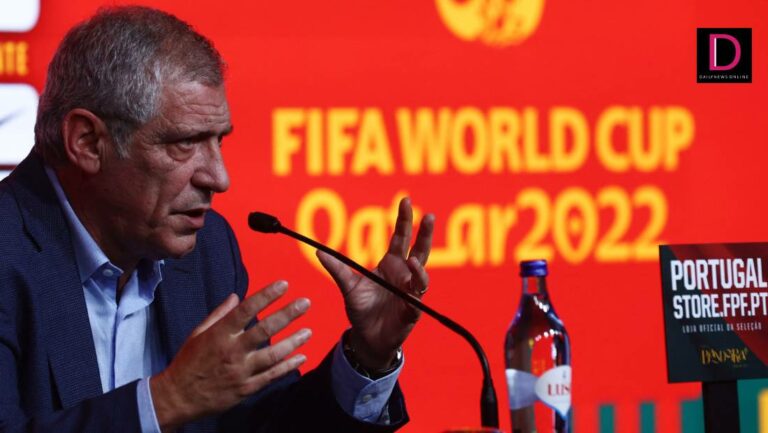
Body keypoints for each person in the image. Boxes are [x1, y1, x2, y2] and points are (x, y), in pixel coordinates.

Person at [0, 6, 434, 433]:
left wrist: (367, 357)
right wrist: (167, 400)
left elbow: (264, 425)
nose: (219, 178)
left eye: (218, 141)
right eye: (185, 143)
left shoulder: (206, 249)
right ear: (87, 142)